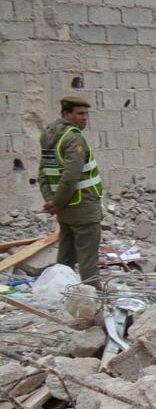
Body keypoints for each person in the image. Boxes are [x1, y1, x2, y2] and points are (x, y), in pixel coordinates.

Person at [38, 93, 105, 284]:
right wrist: (57, 204)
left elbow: (43, 173)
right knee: (88, 259)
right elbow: (70, 177)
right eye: (80, 114)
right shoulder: (73, 138)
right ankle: (93, 296)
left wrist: (51, 201)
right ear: (66, 114)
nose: (85, 118)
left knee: (65, 258)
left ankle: (60, 292)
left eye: (86, 114)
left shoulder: (50, 135)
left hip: (65, 209)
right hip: (82, 206)